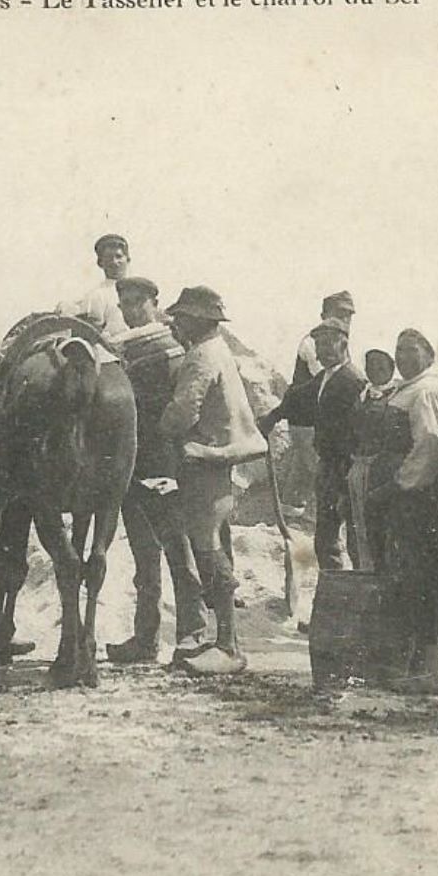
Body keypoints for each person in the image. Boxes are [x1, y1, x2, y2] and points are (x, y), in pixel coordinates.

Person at [157, 286, 267, 675]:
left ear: (198, 321)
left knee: (209, 550)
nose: (176, 325)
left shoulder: (200, 356)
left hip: (206, 461)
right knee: (215, 545)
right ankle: (223, 641)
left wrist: (158, 428)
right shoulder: (219, 350)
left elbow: (184, 411)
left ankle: (229, 647)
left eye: (182, 319)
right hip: (222, 461)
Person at [105, 277, 210, 664]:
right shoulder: (121, 349)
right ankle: (145, 639)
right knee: (143, 555)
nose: (132, 310)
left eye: (137, 302)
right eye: (125, 304)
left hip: (166, 460)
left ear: (154, 301)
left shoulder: (173, 345)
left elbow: (187, 407)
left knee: (178, 550)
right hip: (133, 461)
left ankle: (192, 634)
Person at [368, 327, 438, 693]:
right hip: (402, 501)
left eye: (411, 350)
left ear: (429, 353)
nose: (403, 357)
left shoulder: (429, 391)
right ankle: (413, 666)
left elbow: (430, 447)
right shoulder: (408, 389)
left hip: (419, 502)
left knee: (423, 581)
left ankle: (430, 673)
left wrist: (396, 485)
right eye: (398, 350)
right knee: (406, 581)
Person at [258, 317, 366, 570]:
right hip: (328, 467)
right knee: (325, 538)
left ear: (344, 344)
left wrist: (348, 474)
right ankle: (334, 586)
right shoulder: (326, 377)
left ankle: (359, 589)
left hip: (345, 469)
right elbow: (298, 397)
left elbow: (359, 432)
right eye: (319, 345)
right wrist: (272, 417)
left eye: (330, 343)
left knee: (354, 537)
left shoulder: (352, 380)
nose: (324, 350)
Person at [346, 349, 405, 571]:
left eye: (381, 366)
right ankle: (363, 572)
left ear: (392, 368)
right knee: (358, 528)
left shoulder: (398, 395)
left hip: (382, 471)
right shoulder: (362, 394)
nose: (375, 371)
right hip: (359, 468)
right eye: (371, 366)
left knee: (382, 528)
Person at [57, 233, 132, 336]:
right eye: (109, 258)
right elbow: (92, 331)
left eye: (119, 256)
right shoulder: (97, 295)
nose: (114, 262)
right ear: (100, 263)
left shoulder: (139, 291)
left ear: (128, 259)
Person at [290, 290, 355, 388]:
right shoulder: (312, 342)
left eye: (348, 316)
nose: (345, 321)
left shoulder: (341, 341)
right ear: (323, 317)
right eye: (339, 316)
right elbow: (327, 377)